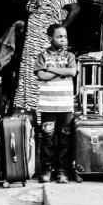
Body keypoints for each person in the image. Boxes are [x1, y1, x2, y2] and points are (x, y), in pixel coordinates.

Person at [13, 0, 80, 113]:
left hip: (46, 42)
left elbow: (75, 8)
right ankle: (33, 114)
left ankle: (46, 120)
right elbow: (38, 12)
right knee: (33, 75)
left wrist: (59, 31)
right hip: (33, 40)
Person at [34, 24, 77, 184]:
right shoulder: (42, 56)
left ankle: (62, 171)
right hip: (48, 105)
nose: (63, 39)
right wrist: (61, 71)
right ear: (50, 38)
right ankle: (46, 170)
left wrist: (51, 69)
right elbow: (41, 76)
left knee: (65, 140)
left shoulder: (70, 56)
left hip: (66, 105)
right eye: (59, 37)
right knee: (47, 139)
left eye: (65, 37)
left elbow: (72, 72)